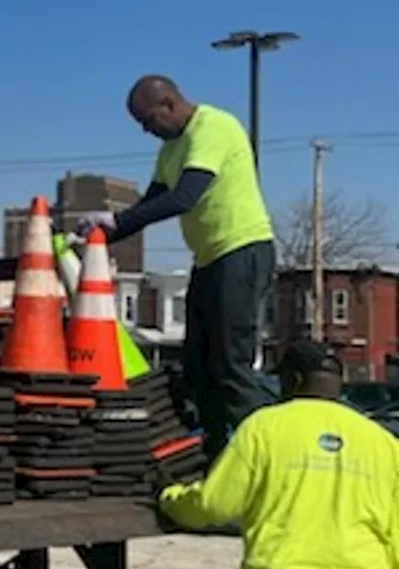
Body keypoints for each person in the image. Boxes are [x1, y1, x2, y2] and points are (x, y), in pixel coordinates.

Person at [79, 75, 275, 461]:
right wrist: (97, 237)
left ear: (169, 104)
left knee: (231, 364)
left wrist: (117, 223)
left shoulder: (214, 126)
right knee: (199, 369)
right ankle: (219, 463)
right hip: (209, 259)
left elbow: (185, 197)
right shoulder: (170, 149)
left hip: (242, 250)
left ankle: (269, 460)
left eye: (149, 120)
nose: (146, 130)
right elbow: (147, 207)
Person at [157, 341, 398, 569]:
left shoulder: (264, 428)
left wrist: (170, 498)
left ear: (293, 379)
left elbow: (214, 505)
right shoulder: (383, 443)